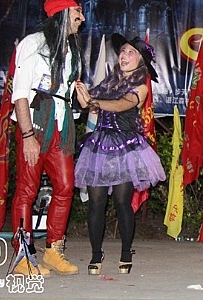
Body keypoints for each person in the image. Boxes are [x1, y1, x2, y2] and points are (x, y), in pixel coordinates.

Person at [74, 33, 166, 275]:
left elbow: (122, 104)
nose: (124, 55)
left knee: (122, 203)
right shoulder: (107, 83)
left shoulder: (141, 87)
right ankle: (96, 254)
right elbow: (85, 103)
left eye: (130, 53)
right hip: (99, 146)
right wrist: (80, 91)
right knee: (96, 203)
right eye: (122, 51)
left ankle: (126, 252)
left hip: (125, 148)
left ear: (140, 61)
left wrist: (95, 102)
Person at [10, 0, 85, 277]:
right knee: (27, 190)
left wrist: (83, 98)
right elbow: (20, 93)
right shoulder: (33, 43)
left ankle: (53, 250)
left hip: (61, 127)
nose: (82, 18)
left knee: (65, 186)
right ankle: (22, 256)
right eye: (77, 12)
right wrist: (27, 135)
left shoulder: (71, 49)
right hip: (36, 125)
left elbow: (66, 92)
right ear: (62, 13)